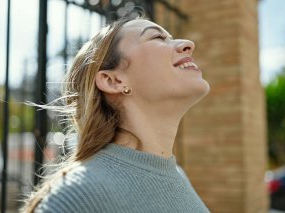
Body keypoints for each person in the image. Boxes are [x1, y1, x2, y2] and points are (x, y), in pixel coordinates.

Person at [22, 16, 210, 213]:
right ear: (113, 81)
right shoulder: (79, 194)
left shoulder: (178, 176)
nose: (188, 44)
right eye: (157, 37)